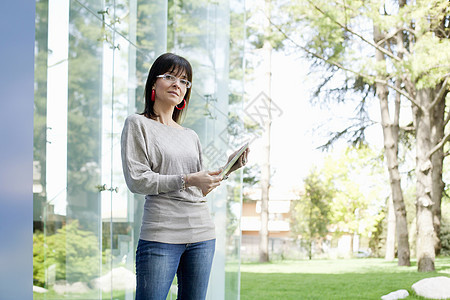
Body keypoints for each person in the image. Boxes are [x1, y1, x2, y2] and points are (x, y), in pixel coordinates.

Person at [121, 52, 249, 300]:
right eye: (170, 76)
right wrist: (187, 178)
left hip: (202, 234)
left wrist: (228, 168)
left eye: (184, 81)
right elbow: (137, 180)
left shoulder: (190, 135)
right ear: (153, 84)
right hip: (161, 233)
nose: (177, 84)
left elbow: (199, 188)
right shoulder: (138, 124)